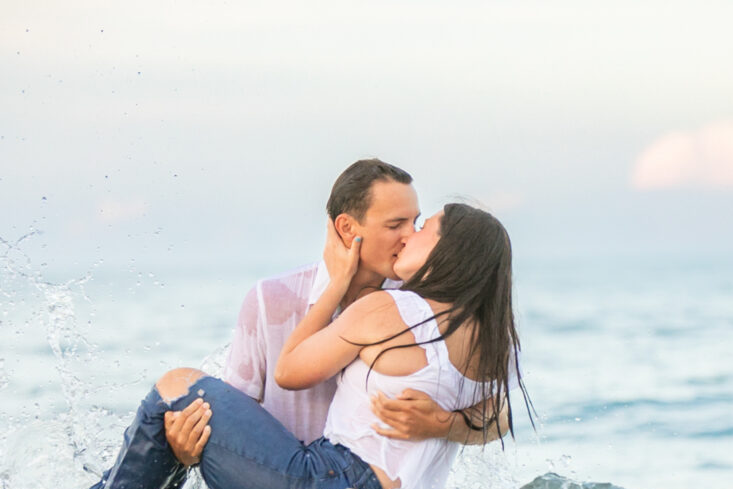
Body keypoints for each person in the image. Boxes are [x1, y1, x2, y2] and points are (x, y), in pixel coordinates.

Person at [83, 203, 531, 489]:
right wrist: (446, 423)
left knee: (177, 383)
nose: (410, 234)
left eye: (423, 227)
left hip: (329, 487)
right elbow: (499, 419)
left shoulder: (390, 309)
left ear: (447, 251)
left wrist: (336, 285)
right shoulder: (497, 341)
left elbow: (289, 370)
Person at [162, 159, 508, 471]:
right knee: (169, 402)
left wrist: (442, 424)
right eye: (395, 225)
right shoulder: (271, 300)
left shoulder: (418, 309)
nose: (410, 236)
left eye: (416, 223)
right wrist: (187, 450)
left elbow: (501, 415)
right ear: (346, 229)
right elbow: (234, 417)